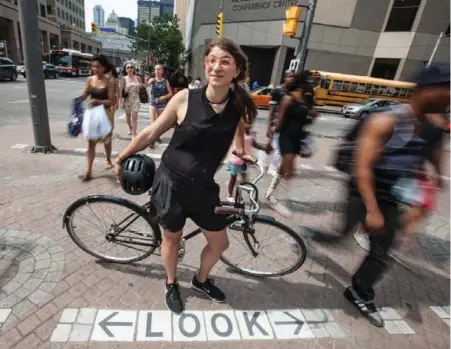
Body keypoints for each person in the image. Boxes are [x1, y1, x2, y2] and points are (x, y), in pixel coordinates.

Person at [114, 37, 257, 314]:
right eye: (212, 61)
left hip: (204, 187)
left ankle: (201, 279)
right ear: (205, 65)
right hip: (171, 183)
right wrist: (121, 157)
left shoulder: (238, 103)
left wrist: (240, 150)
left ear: (237, 70)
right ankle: (171, 283)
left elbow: (239, 127)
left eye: (225, 62)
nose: (217, 67)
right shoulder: (183, 99)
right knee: (172, 239)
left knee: (219, 242)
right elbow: (150, 133)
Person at [337, 63, 449, 328]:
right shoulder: (386, 120)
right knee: (342, 234)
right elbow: (362, 167)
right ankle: (330, 236)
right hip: (364, 190)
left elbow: (432, 152)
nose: (450, 96)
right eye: (445, 90)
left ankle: (359, 290)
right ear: (424, 91)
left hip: (391, 195)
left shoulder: (434, 124)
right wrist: (372, 209)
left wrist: (437, 176)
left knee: (382, 250)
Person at [264, 74, 312, 216]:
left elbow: (308, 119)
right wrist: (270, 142)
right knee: (285, 167)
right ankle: (270, 196)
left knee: (289, 173)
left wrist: (306, 143)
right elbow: (279, 123)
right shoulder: (287, 99)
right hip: (286, 137)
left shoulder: (304, 100)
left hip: (297, 138)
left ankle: (273, 195)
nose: (311, 85)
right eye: (309, 82)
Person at [78, 55, 116, 181]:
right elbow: (86, 93)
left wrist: (98, 101)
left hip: (105, 115)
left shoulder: (109, 82)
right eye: (93, 66)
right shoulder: (90, 79)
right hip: (92, 114)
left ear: (104, 68)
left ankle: (108, 159)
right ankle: (88, 171)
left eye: (98, 67)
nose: (95, 69)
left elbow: (112, 101)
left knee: (106, 140)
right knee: (91, 143)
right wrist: (81, 97)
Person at [226, 122, 271, 202]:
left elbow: (255, 144)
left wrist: (265, 149)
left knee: (244, 178)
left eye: (251, 123)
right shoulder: (238, 132)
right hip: (235, 160)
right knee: (233, 178)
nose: (250, 125)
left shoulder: (251, 134)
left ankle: (239, 192)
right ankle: (229, 195)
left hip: (244, 161)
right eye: (247, 123)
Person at [266, 70, 295, 176]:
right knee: (278, 147)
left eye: (292, 77)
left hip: (287, 124)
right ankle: (272, 168)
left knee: (278, 147)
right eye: (289, 76)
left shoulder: (293, 92)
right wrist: (269, 126)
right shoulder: (277, 91)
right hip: (277, 122)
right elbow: (272, 109)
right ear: (285, 77)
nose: (291, 78)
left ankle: (276, 165)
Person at [147, 64, 173, 148]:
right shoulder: (153, 80)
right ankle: (152, 140)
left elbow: (170, 94)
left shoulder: (166, 81)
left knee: (159, 123)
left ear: (162, 71)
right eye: (155, 69)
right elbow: (144, 86)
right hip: (153, 103)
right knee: (153, 122)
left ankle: (157, 136)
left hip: (162, 104)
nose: (156, 71)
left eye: (158, 69)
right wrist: (148, 81)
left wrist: (162, 97)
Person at [120, 62, 142, 138]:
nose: (130, 69)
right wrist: (121, 101)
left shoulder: (138, 78)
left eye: (131, 67)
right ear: (125, 70)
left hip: (136, 99)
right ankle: (130, 127)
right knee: (128, 118)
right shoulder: (124, 78)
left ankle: (134, 134)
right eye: (128, 68)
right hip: (127, 100)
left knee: (134, 116)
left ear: (134, 69)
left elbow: (142, 88)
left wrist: (147, 97)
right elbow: (120, 91)